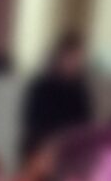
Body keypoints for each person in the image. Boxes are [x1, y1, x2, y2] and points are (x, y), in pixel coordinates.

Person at [21, 29, 93, 164]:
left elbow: (85, 125)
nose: (74, 63)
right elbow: (33, 122)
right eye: (70, 57)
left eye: (78, 58)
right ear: (59, 57)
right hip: (43, 147)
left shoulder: (80, 90)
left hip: (71, 147)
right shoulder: (42, 87)